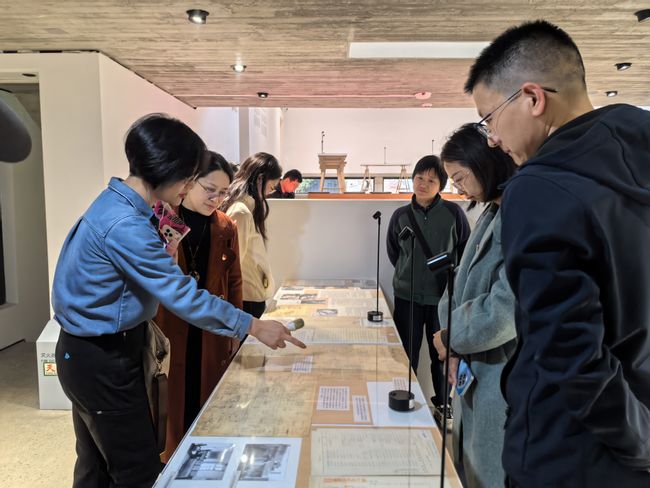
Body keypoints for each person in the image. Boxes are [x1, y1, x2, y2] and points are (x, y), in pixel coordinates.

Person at [52, 114, 305, 488]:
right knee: (137, 471)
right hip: (104, 357)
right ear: (167, 170)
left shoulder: (118, 206)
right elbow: (182, 295)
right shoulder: (127, 224)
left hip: (89, 353)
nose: (189, 188)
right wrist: (252, 325)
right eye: (189, 178)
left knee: (96, 468)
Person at [464, 20, 650, 487]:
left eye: (489, 119)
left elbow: (571, 354)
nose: (492, 139)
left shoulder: (540, 187)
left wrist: (639, 441)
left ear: (532, 98)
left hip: (570, 451)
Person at [431, 123, 518, 488]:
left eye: (460, 177)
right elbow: (457, 284)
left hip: (500, 372)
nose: (457, 188)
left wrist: (450, 336)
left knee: (489, 469)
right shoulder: (490, 213)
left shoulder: (518, 214)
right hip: (472, 362)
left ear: (484, 161)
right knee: (469, 464)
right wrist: (450, 338)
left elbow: (503, 311)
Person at [154, 151, 242, 462]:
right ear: (190, 183)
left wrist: (236, 330)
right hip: (169, 324)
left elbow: (234, 281)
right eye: (210, 189)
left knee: (205, 392)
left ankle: (201, 459)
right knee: (171, 397)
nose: (216, 199)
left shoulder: (225, 226)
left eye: (223, 192)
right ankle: (169, 460)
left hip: (210, 328)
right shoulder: (163, 219)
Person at [386, 155, 470, 429]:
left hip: (442, 299)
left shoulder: (454, 214)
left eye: (431, 180)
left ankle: (443, 405)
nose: (423, 184)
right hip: (407, 296)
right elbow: (394, 253)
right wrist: (408, 275)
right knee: (405, 352)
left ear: (441, 185)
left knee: (441, 355)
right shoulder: (400, 215)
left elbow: (465, 252)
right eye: (419, 178)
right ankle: (403, 397)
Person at [221, 152, 282, 318]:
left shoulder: (246, 209)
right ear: (260, 179)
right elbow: (234, 265)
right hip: (246, 298)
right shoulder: (241, 212)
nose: (269, 193)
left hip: (250, 295)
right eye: (271, 187)